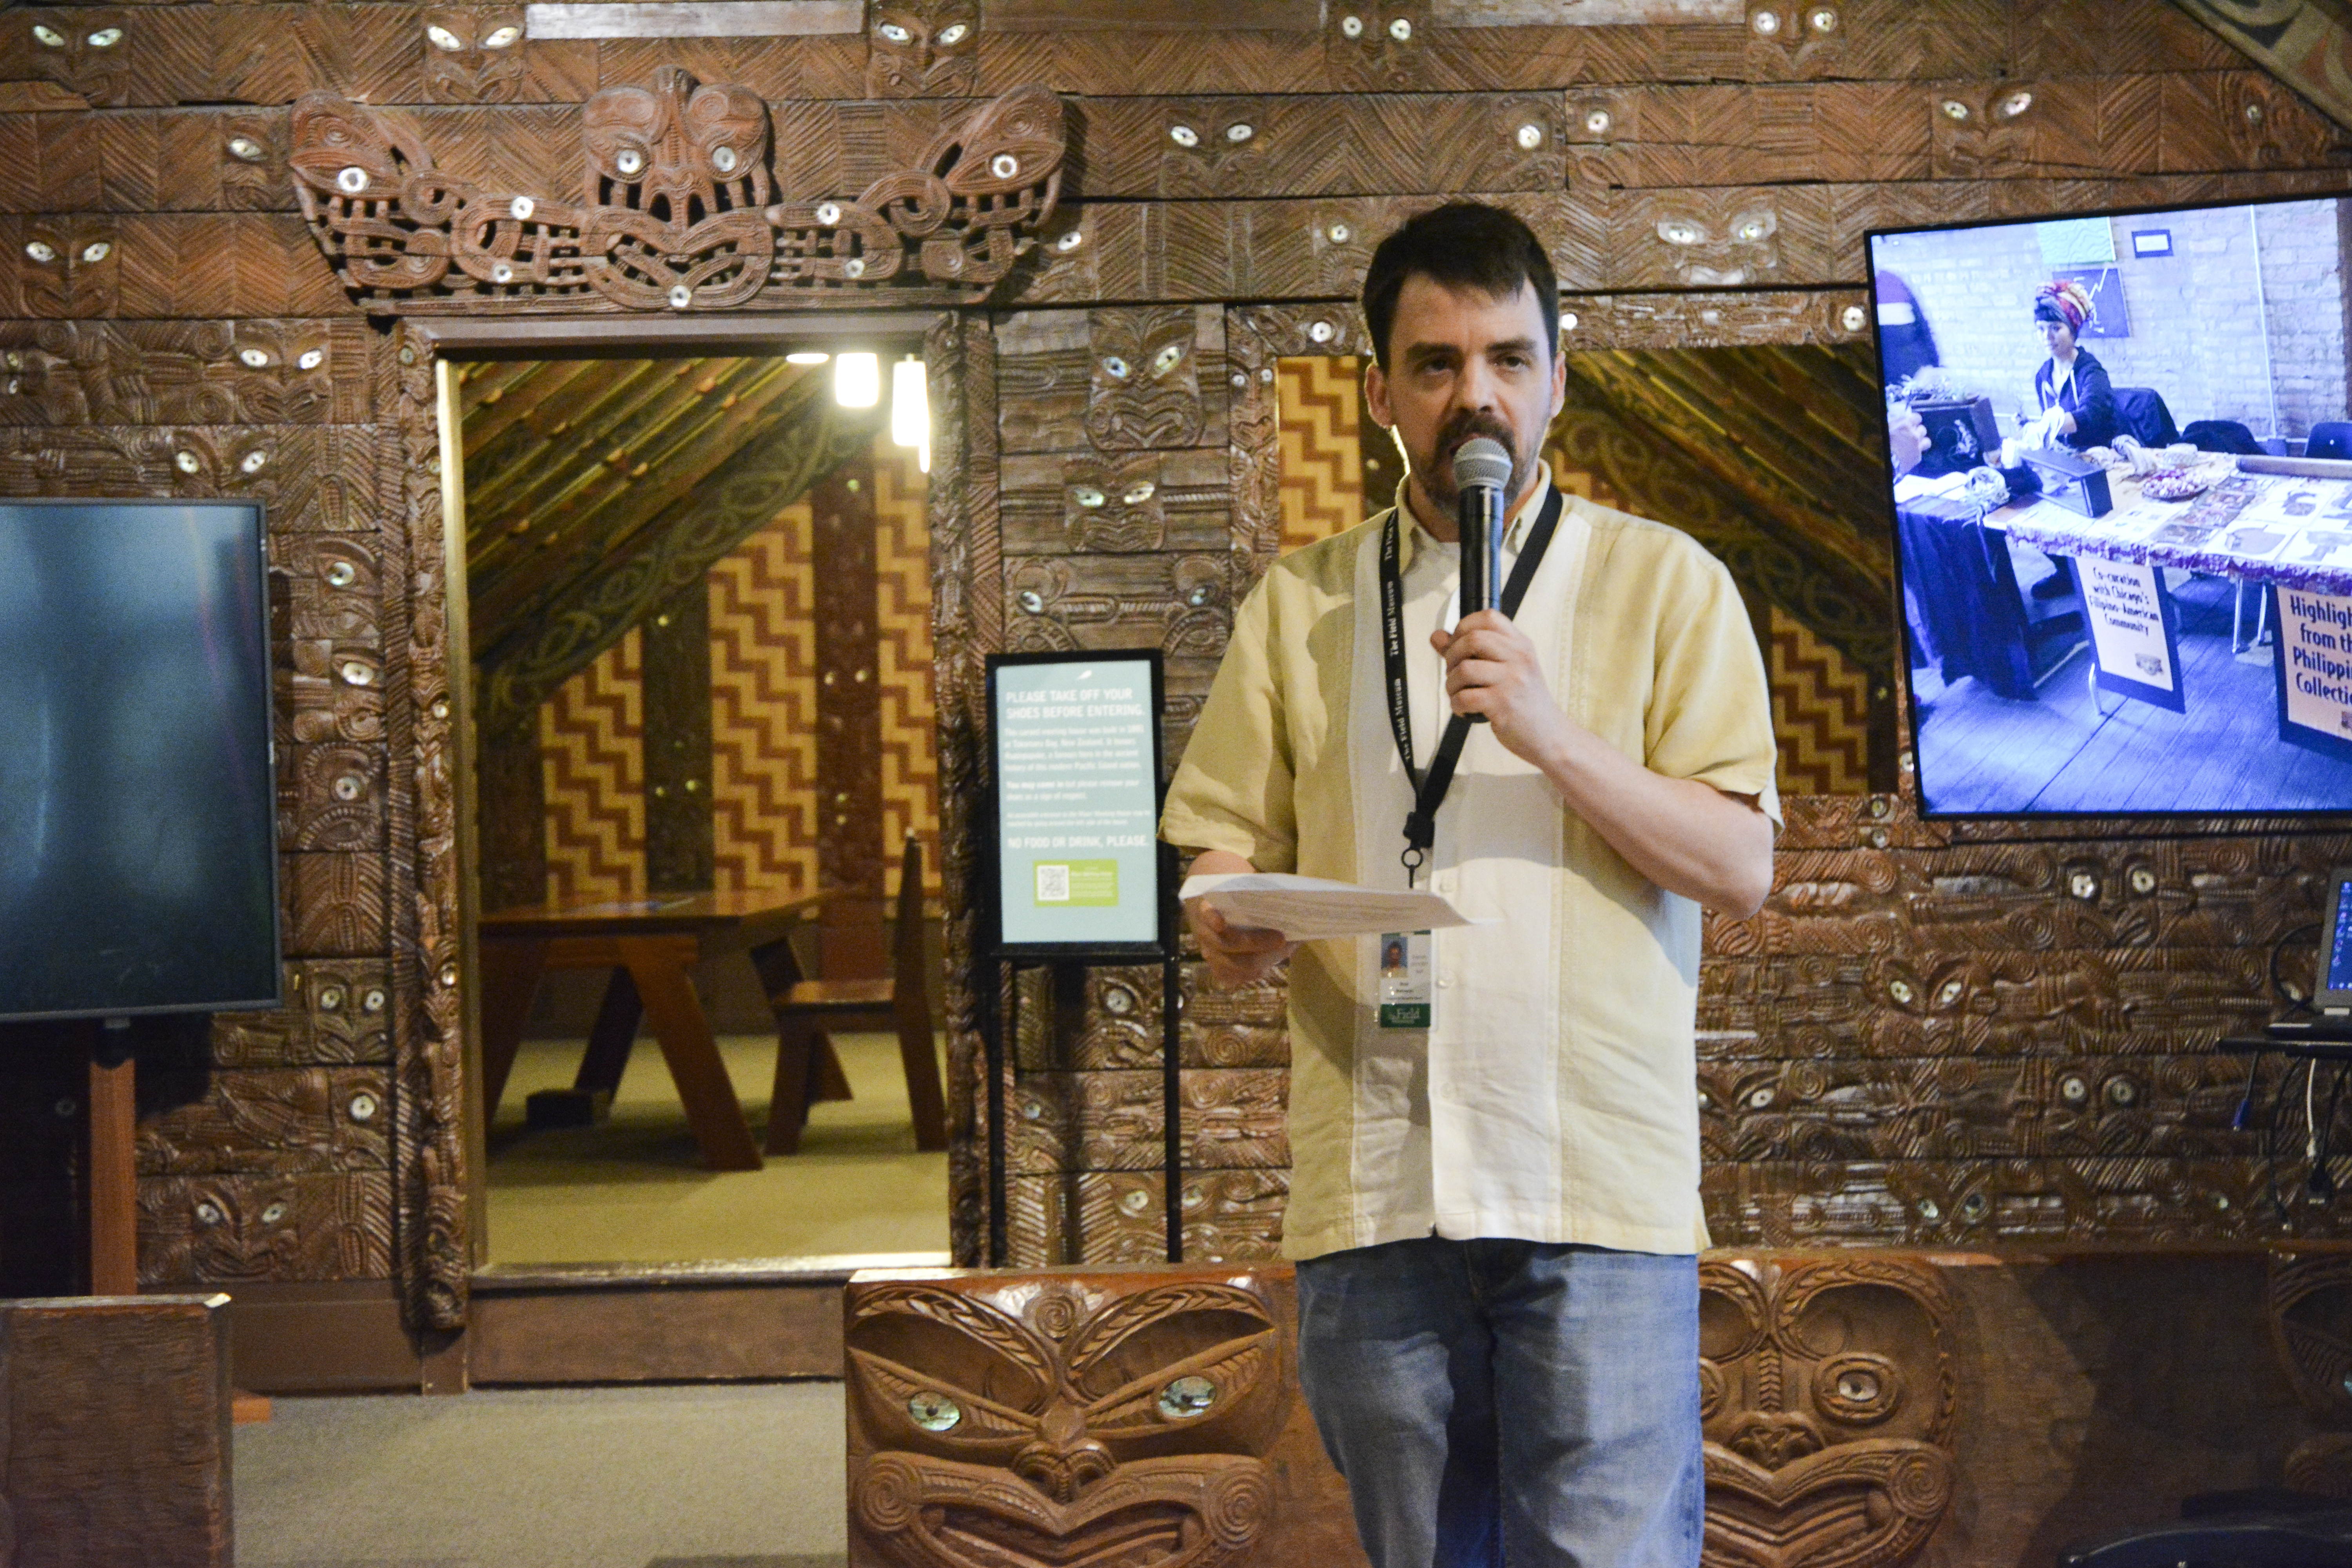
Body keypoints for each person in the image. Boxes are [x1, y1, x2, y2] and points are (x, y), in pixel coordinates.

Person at [1158, 201, 1779, 1568]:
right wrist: (1232, 918)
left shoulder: (1665, 582)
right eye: (1434, 364)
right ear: (1379, 392)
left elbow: (1737, 865)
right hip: (1378, 1188)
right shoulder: (1299, 603)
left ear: (1557, 378)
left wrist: (1549, 733)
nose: (1474, 396)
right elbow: (1220, 848)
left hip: (1593, 1187)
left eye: (1507, 358)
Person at [2025, 278, 2116, 452]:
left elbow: (2088, 417)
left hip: (2098, 456)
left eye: (2055, 328)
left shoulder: (2092, 373)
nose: (2047, 337)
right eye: (2041, 329)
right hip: (2063, 459)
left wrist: (2042, 429)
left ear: (2073, 331)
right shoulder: (2043, 376)